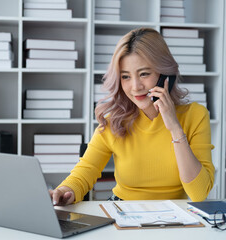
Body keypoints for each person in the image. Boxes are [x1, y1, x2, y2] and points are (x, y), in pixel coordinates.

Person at [49, 27, 215, 206]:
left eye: (144, 74)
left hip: (174, 215)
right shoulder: (115, 120)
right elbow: (85, 171)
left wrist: (174, 127)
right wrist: (65, 191)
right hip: (123, 211)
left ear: (165, 74)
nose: (135, 86)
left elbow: (199, 193)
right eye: (126, 77)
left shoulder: (195, 115)